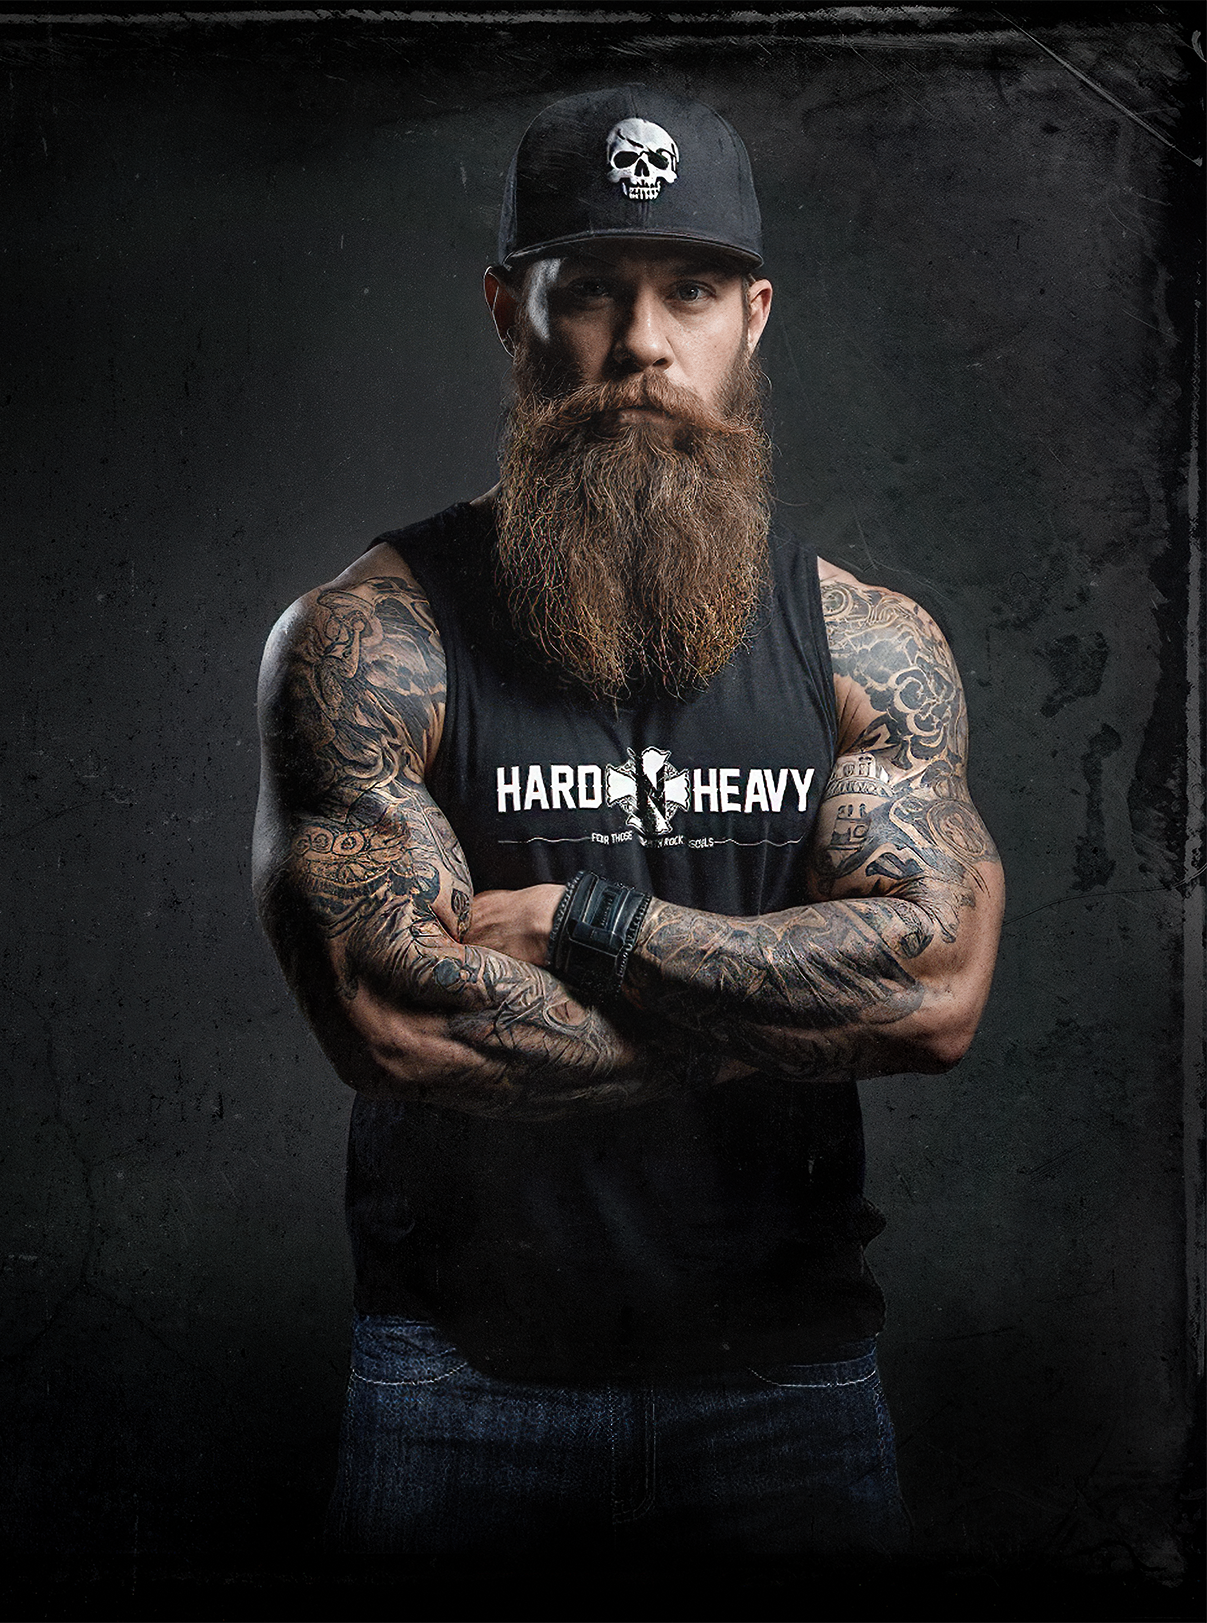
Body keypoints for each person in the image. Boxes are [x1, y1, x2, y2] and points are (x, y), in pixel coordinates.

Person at [251, 86, 1003, 1561]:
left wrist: (597, 926)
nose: (642, 345)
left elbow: (931, 995)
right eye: (589, 289)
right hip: (461, 1384)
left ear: (756, 316)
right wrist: (785, 995)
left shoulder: (868, 645)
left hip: (789, 1377)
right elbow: (398, 1027)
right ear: (507, 309)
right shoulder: (369, 641)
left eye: (694, 289)